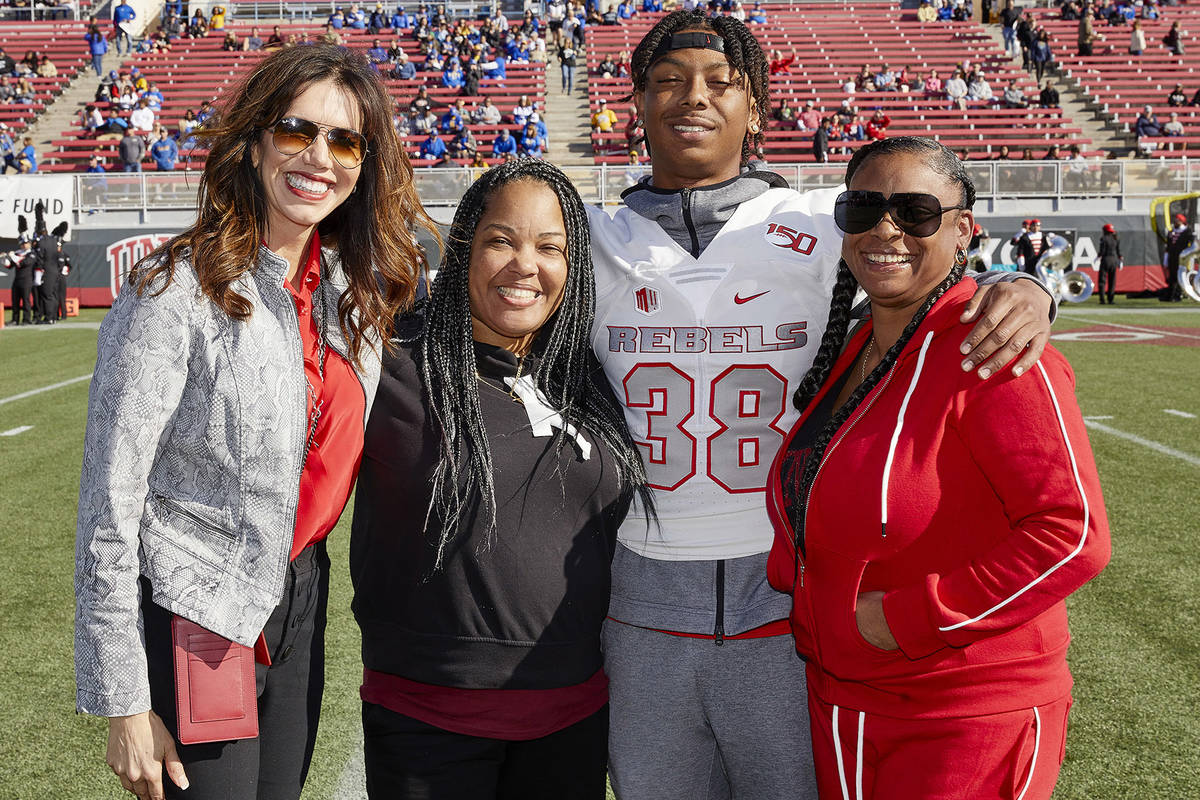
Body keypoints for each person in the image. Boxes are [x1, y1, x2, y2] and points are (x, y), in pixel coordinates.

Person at [583, 11, 1056, 800]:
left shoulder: (822, 219)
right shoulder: (587, 233)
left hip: (790, 589)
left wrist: (1028, 288)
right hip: (640, 585)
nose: (690, 99)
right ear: (634, 101)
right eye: (666, 81)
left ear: (757, 108)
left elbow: (932, 262)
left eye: (718, 84)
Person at [74, 44, 434, 800]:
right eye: (297, 130)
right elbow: (110, 499)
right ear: (255, 139)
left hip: (302, 599)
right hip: (199, 609)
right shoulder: (174, 288)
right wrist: (125, 701)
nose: (320, 158)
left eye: (344, 141)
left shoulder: (352, 294)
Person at [767, 136, 1110, 800]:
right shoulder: (861, 345)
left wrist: (910, 618)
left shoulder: (998, 346)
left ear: (963, 231)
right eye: (863, 208)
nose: (885, 229)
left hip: (964, 709)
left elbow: (1072, 534)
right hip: (847, 702)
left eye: (916, 211)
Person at [352, 158, 653, 800]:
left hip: (572, 718)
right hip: (427, 721)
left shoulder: (592, 376)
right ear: (464, 249)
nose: (525, 265)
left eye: (550, 248)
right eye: (500, 241)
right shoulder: (394, 363)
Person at [1163, 213, 1193, 302]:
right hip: (1172, 257)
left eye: (1177, 220)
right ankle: (1169, 295)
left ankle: (1177, 295)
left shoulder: (1187, 232)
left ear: (1181, 221)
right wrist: (1166, 257)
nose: (1175, 222)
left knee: (1180, 277)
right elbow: (1168, 246)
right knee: (1172, 277)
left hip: (1181, 258)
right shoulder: (1171, 232)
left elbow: (1191, 245)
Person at [6, 237, 34, 325]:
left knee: (26, 300)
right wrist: (4, 260)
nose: (24, 245)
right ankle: (15, 319)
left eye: (26, 243)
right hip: (17, 280)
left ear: (29, 244)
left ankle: (26, 319)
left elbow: (23, 263)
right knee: (15, 300)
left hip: (26, 280)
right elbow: (10, 266)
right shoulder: (18, 253)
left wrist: (13, 256)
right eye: (22, 243)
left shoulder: (31, 254)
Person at [1097, 222, 1121, 304]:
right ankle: (1111, 299)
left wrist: (1098, 256)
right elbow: (1118, 252)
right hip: (1114, 260)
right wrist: (1120, 259)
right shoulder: (1116, 239)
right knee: (1112, 281)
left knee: (1102, 281)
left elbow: (1102, 251)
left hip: (1106, 260)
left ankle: (1102, 299)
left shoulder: (1103, 239)